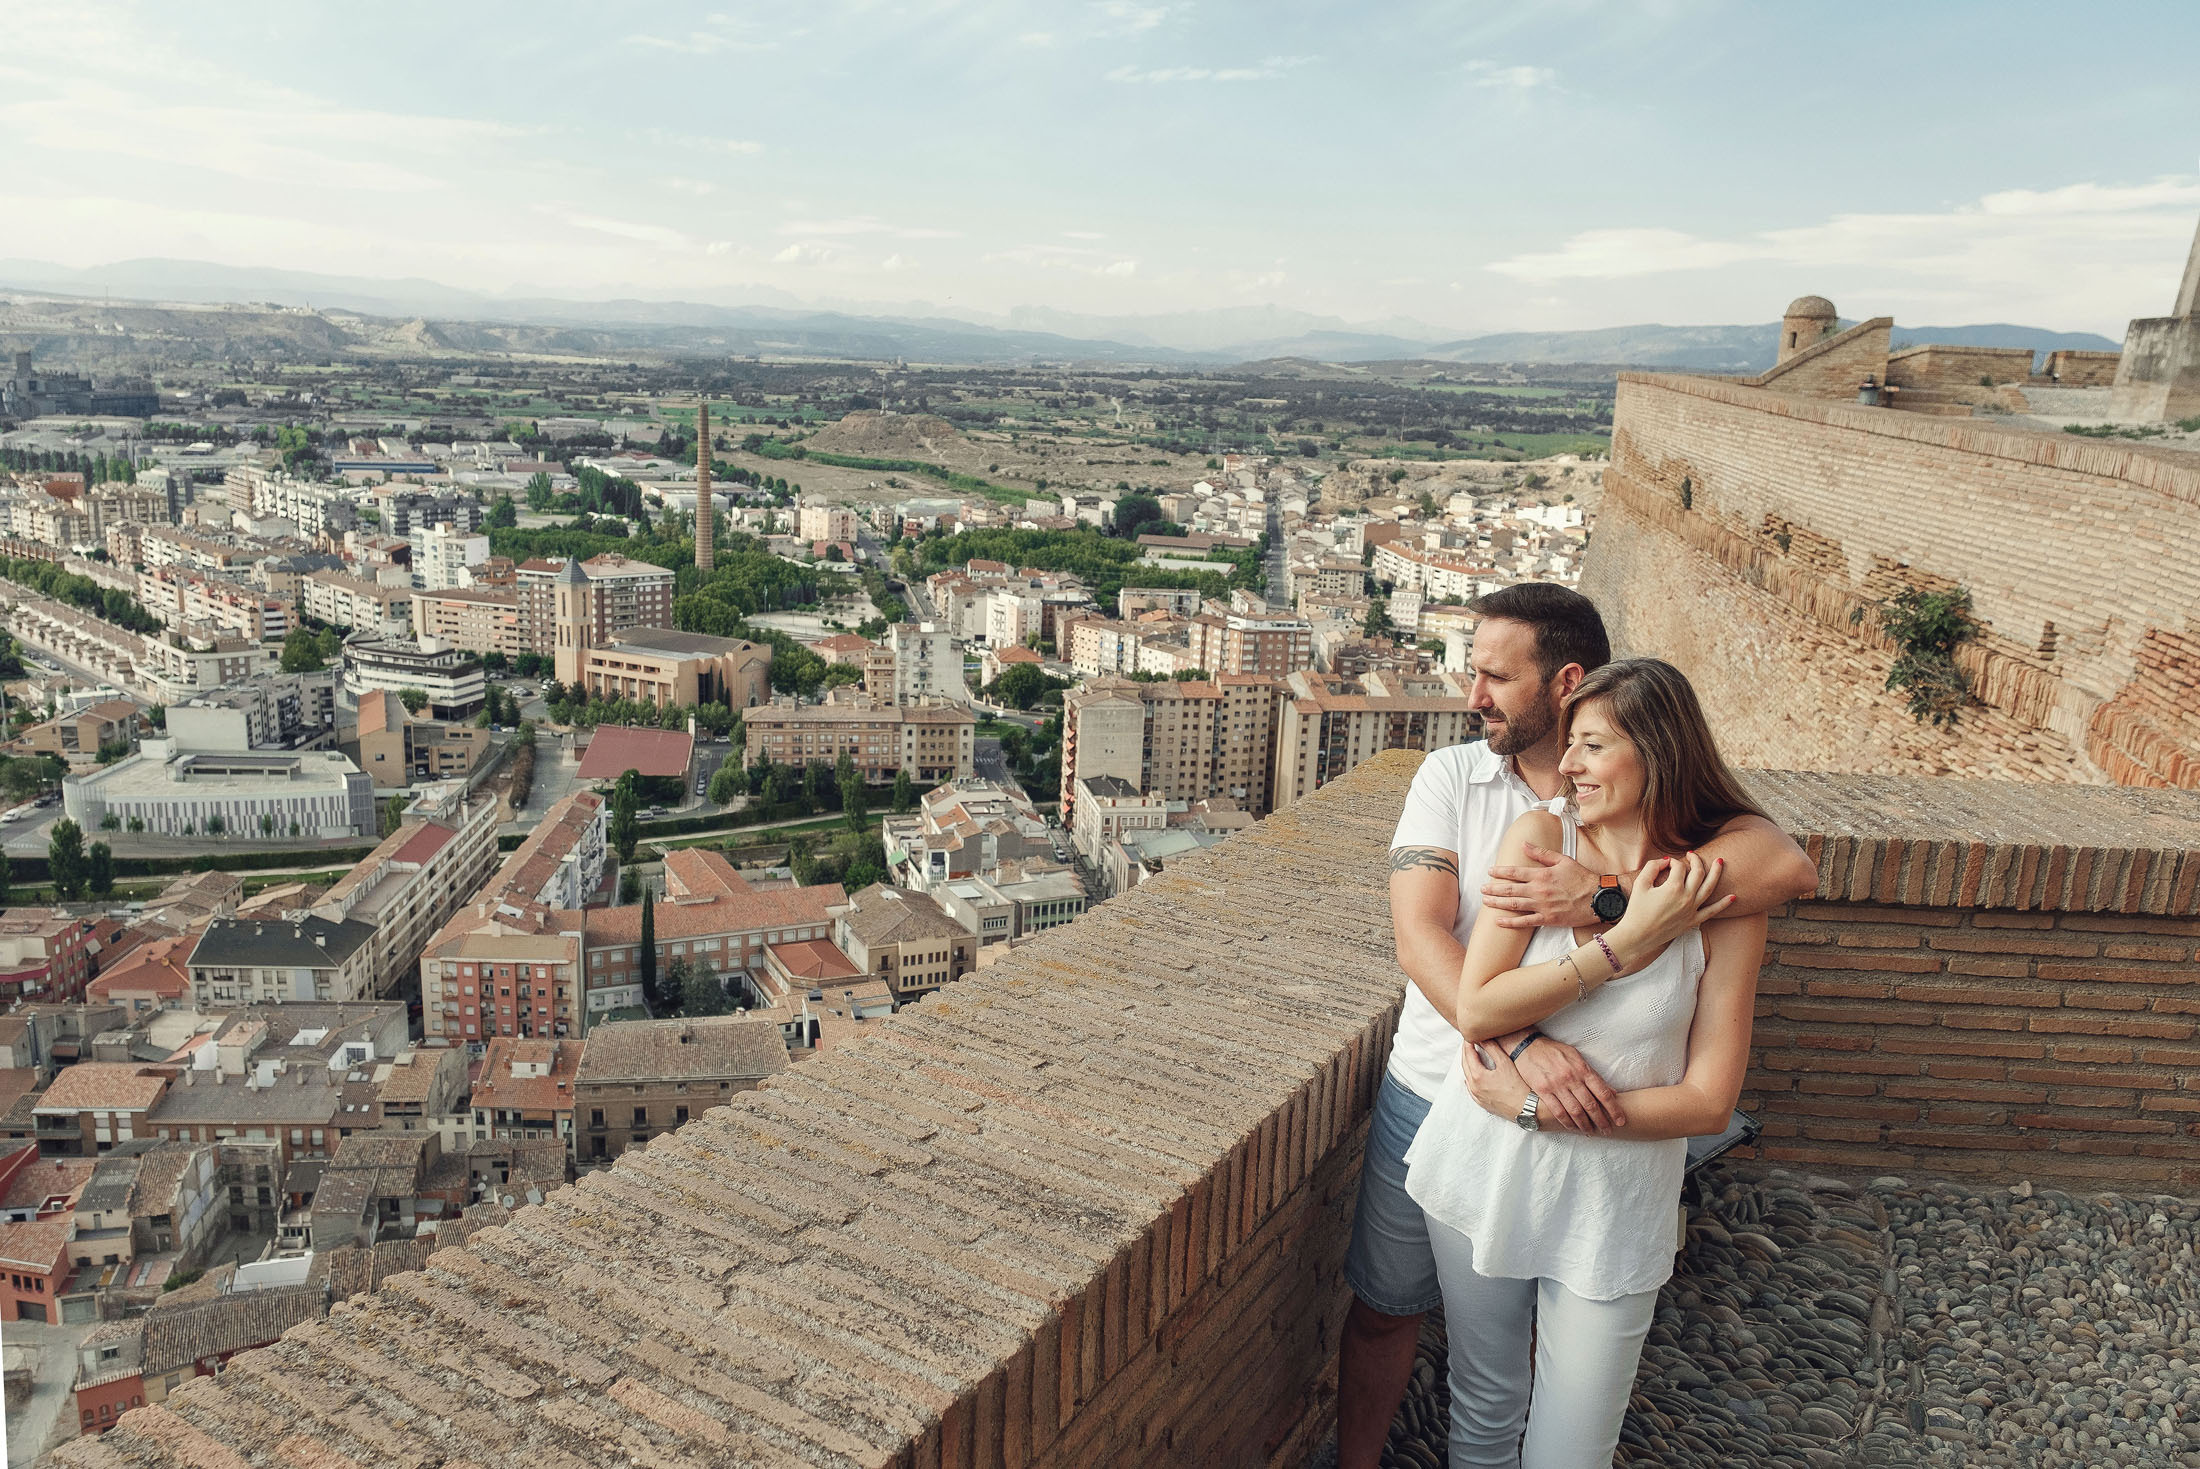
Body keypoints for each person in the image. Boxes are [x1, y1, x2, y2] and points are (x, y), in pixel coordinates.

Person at [1335, 585, 1817, 1469]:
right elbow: (1423, 939)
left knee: (1566, 1432)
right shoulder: (1471, 790)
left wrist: (1612, 908)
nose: (1473, 694)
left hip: (1590, 1172)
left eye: (1493, 674)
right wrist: (1526, 1046)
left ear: (1565, 685)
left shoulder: (1699, 873)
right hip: (1452, 1096)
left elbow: (1786, 865)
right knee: (1397, 1316)